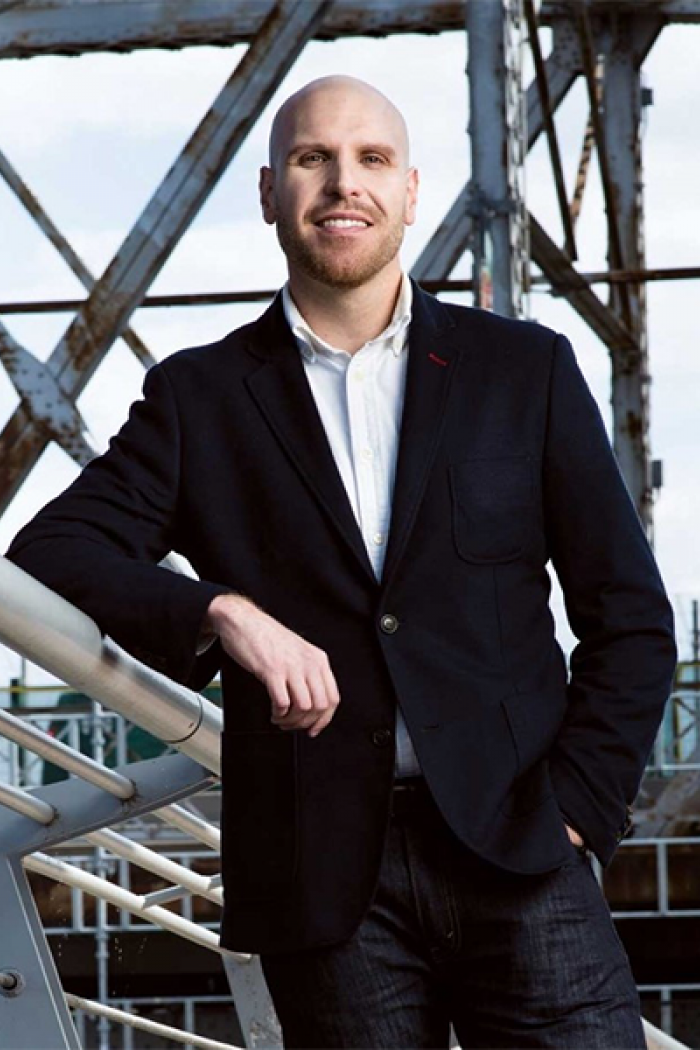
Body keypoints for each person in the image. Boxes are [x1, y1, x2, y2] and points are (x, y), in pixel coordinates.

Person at [7, 76, 676, 1049]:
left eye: (369, 160)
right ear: (272, 191)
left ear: (410, 191)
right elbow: (53, 550)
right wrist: (220, 613)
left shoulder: (520, 371)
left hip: (520, 850)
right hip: (323, 881)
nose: (341, 185)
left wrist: (578, 812)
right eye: (314, 160)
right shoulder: (202, 397)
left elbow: (629, 613)